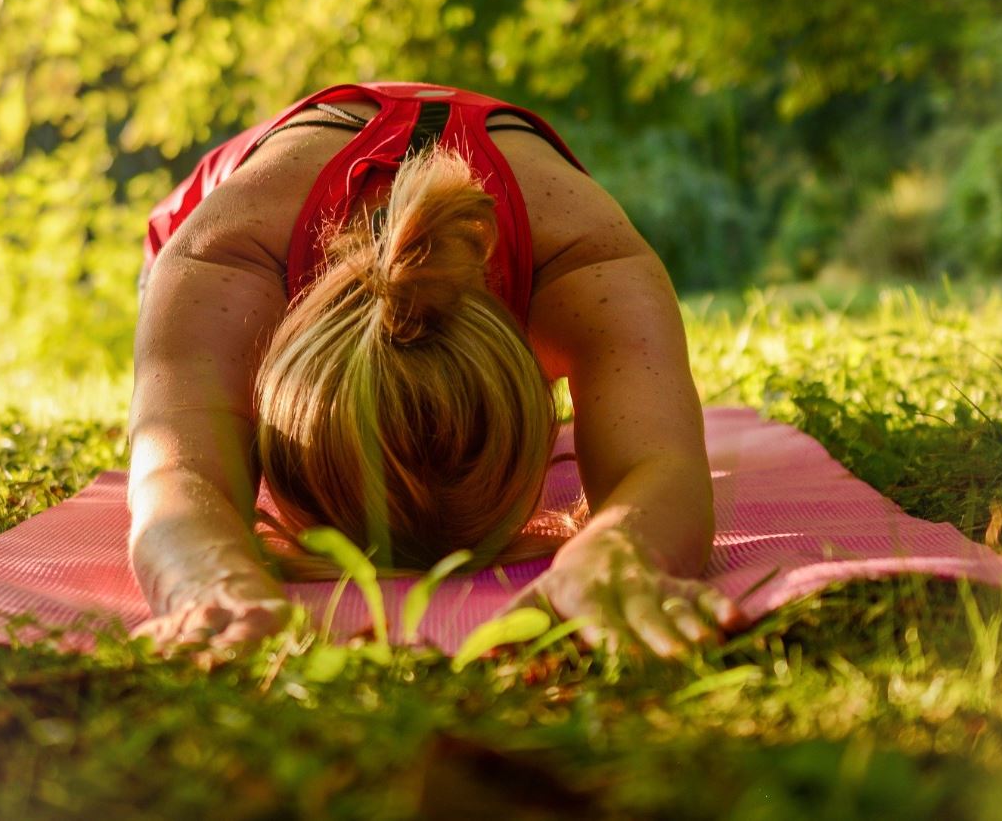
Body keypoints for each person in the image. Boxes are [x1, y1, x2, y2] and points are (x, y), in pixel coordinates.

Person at [128, 82, 743, 658]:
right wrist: (207, 577)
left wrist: (621, 553)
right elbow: (174, 473)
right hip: (240, 204)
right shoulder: (224, 256)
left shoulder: (587, 261)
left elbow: (663, 467)